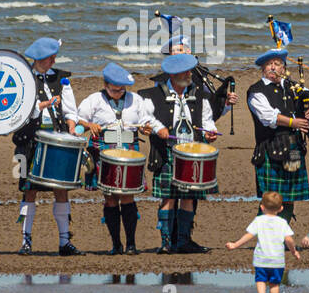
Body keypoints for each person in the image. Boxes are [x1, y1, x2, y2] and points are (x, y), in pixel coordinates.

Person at [140, 52, 220, 254]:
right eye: (184, 72)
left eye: (189, 71)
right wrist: (159, 128)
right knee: (168, 197)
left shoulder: (200, 95)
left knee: (188, 196)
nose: (189, 75)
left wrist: (210, 131)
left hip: (192, 152)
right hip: (167, 152)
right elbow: (145, 117)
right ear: (172, 75)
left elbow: (207, 119)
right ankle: (166, 242)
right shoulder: (153, 94)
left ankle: (183, 241)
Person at [77, 62, 160, 255]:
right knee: (110, 198)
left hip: (129, 151)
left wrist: (146, 129)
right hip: (103, 151)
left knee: (127, 196)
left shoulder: (136, 99)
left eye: (122, 90)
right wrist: (89, 125)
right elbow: (77, 122)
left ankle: (131, 244)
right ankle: (116, 245)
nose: (119, 93)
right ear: (105, 84)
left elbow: (146, 122)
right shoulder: (94, 99)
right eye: (115, 90)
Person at [12, 37, 83, 256]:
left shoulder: (62, 79)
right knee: (28, 190)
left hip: (57, 142)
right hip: (28, 143)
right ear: (39, 59)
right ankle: (26, 241)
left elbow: (71, 111)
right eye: (49, 58)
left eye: (54, 58)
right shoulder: (22, 80)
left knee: (61, 190)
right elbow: (21, 111)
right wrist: (43, 104)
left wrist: (72, 126)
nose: (53, 61)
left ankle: (64, 242)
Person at [247, 47, 309, 228]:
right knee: (272, 199)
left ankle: (279, 236)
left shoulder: (293, 87)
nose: (273, 67)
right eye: (269, 64)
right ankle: (264, 236)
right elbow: (267, 117)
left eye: (277, 64)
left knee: (288, 198)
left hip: (294, 148)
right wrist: (293, 123)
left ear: (284, 68)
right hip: (270, 149)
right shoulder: (256, 91)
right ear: (263, 69)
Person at [226, 191, 299, 293]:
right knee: (274, 283)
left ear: (262, 207)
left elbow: (249, 235)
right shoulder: (282, 222)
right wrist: (294, 251)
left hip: (261, 260)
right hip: (277, 261)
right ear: (281, 209)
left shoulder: (259, 220)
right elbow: (289, 240)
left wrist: (235, 244)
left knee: (260, 280)